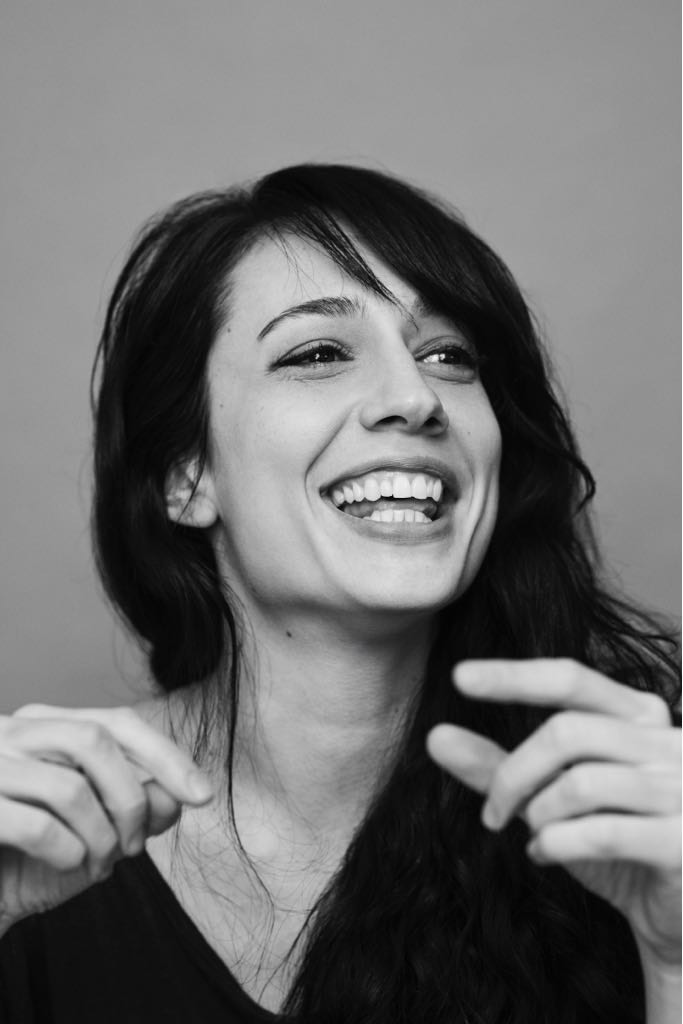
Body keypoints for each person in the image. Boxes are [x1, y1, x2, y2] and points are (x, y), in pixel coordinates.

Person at [0, 164, 679, 1024]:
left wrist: (676, 958)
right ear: (186, 474)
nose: (415, 398)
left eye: (448, 356)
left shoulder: (638, 813)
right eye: (318, 354)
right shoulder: (28, 826)